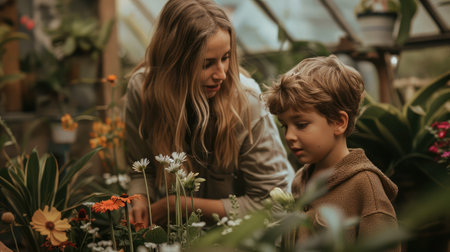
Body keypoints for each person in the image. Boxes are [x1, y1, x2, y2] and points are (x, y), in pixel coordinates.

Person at [125, 0, 294, 227]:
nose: (222, 74)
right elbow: (139, 168)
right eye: (207, 64)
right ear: (174, 63)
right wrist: (139, 199)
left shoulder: (246, 103)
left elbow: (275, 203)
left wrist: (180, 206)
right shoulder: (142, 91)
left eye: (225, 58)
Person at [264, 55, 400, 250]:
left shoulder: (365, 187)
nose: (289, 136)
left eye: (301, 125)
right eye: (285, 125)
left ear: (339, 122)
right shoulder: (301, 180)